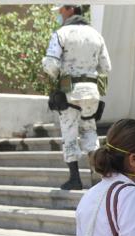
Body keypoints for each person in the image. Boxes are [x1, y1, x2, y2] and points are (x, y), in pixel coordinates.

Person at [42, 4, 111, 190]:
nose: (58, 14)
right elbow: (106, 68)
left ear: (70, 9)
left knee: (69, 133)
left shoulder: (62, 33)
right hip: (92, 93)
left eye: (60, 10)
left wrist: (58, 76)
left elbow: (50, 63)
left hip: (69, 93)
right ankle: (98, 179)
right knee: (90, 131)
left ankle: (75, 179)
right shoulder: (96, 35)